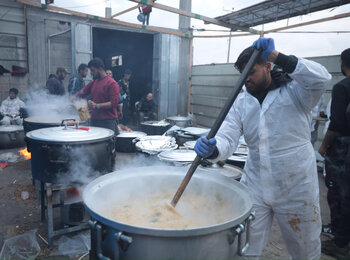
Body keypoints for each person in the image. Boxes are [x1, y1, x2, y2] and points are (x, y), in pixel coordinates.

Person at [194, 37, 331, 259]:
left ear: (267, 66)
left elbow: (321, 78)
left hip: (296, 185)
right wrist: (213, 148)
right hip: (255, 182)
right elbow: (227, 137)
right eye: (242, 74)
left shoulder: (296, 92)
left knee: (304, 249)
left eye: (252, 72)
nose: (246, 79)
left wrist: (278, 56)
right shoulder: (241, 101)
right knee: (245, 245)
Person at [318, 48, 350, 259]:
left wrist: (323, 146)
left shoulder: (342, 87)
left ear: (342, 62)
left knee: (340, 196)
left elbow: (336, 124)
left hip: (343, 150)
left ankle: (340, 245)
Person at [74, 58, 119, 132]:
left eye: (92, 70)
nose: (91, 73)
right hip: (94, 120)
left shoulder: (112, 83)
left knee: (107, 143)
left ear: (100, 69)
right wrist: (68, 100)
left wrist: (97, 105)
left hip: (108, 121)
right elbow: (81, 93)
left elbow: (114, 103)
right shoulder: (93, 82)